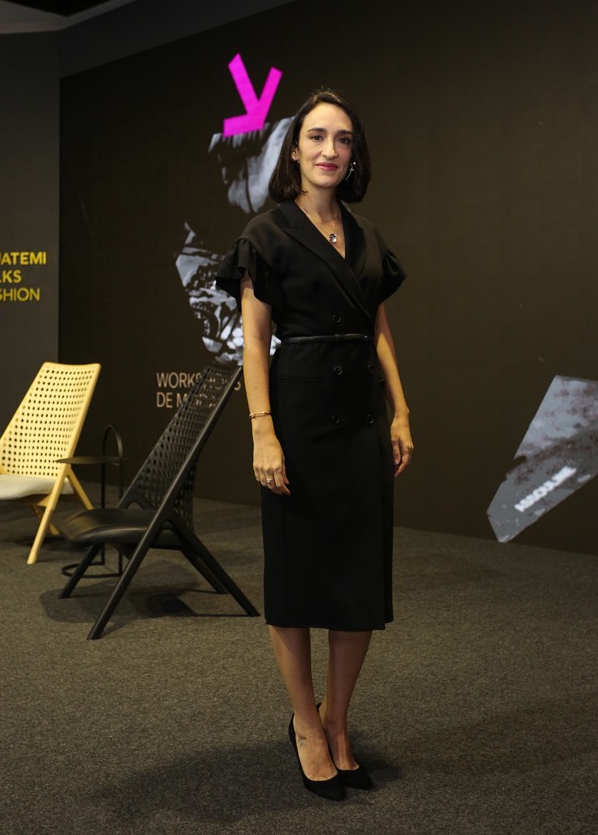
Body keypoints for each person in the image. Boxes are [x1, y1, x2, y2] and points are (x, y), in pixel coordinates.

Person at [215, 89, 413, 801]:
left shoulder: (368, 236)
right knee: (297, 581)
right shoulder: (266, 234)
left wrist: (400, 411)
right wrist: (262, 431)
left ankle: (338, 720)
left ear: (355, 155)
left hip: (360, 417)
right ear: (294, 149)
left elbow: (378, 329)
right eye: (318, 137)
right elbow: (254, 342)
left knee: (359, 579)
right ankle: (304, 723)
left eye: (344, 140)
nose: (331, 150)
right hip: (297, 420)